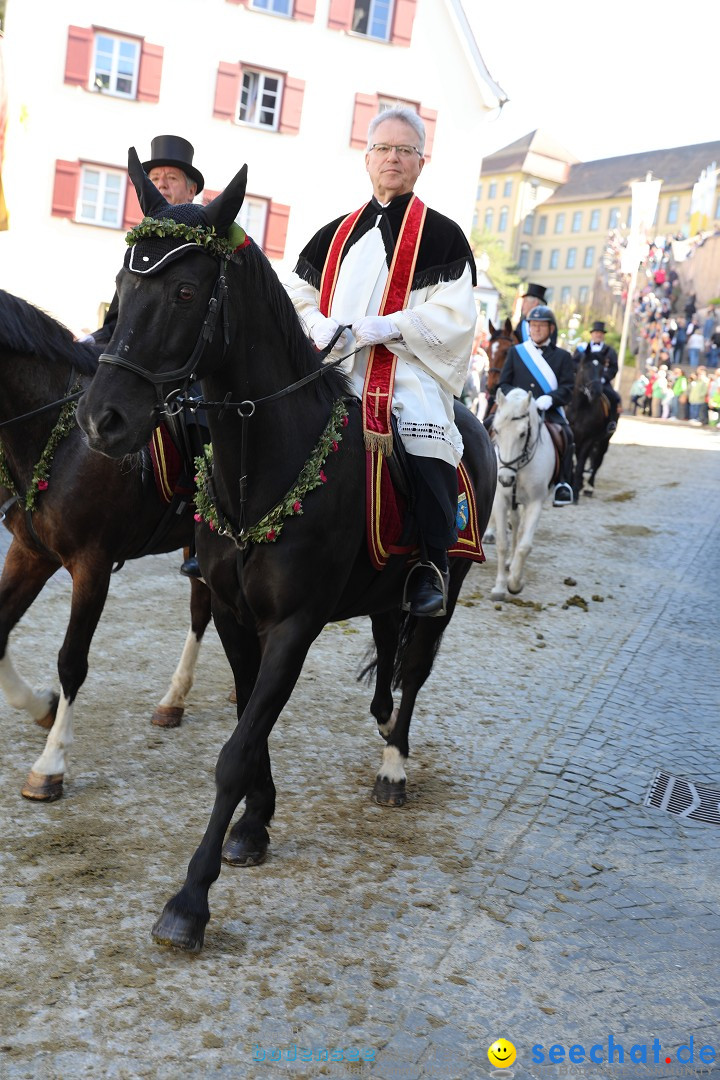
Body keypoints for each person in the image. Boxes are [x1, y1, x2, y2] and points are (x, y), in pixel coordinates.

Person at [284, 106, 477, 617]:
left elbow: (456, 312)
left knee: (426, 440)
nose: (393, 158)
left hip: (404, 367)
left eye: (405, 150)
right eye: (383, 149)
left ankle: (428, 567)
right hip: (333, 362)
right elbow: (295, 294)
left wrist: (395, 325)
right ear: (367, 159)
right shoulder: (333, 234)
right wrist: (315, 324)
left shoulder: (443, 234)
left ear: (421, 163)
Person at [85, 135, 208, 579]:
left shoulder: (206, 241)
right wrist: (89, 346)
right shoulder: (140, 247)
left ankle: (201, 528)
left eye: (170, 180)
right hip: (138, 360)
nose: (162, 186)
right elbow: (120, 318)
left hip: (187, 364)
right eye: (154, 180)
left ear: (191, 190)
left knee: (196, 420)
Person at [496, 305, 575, 505]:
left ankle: (562, 484)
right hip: (517, 411)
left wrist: (552, 398)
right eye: (533, 325)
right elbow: (503, 383)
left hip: (548, 411)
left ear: (551, 329)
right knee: (488, 426)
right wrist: (514, 399)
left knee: (567, 435)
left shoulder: (563, 356)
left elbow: (568, 387)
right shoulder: (516, 352)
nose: (537, 329)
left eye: (542, 325)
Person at [573, 321, 619, 432]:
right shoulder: (581, 349)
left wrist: (604, 378)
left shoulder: (610, 351)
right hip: (583, 381)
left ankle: (611, 422)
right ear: (592, 334)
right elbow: (573, 363)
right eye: (596, 332)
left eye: (601, 333)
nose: (598, 335)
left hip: (601, 381)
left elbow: (614, 367)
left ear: (603, 335)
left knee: (614, 397)